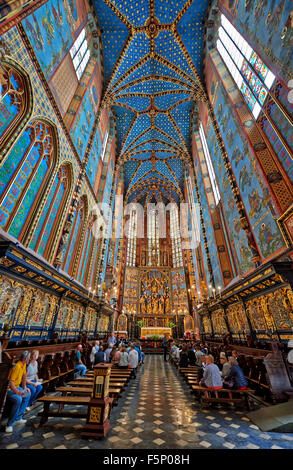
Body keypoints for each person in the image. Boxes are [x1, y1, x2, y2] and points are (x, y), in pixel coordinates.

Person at [5, 350, 31, 434]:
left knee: (28, 394)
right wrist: (17, 392)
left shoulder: (23, 365)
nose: (29, 359)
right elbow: (10, 382)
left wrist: (25, 388)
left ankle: (18, 418)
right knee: (18, 399)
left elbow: (24, 377)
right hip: (9, 389)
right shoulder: (17, 366)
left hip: (16, 387)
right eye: (29, 358)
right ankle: (9, 425)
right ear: (26, 358)